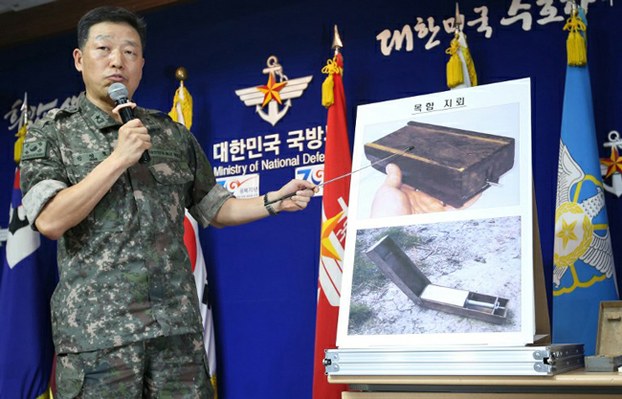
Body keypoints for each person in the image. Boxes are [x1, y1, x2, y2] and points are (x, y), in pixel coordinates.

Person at [19, 6, 315, 398]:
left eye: (129, 52)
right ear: (79, 58)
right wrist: (118, 159)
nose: (116, 61)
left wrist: (273, 202)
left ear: (141, 64)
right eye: (103, 48)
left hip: (176, 335)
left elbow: (214, 207)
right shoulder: (51, 134)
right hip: (99, 340)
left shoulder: (170, 134)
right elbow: (51, 220)